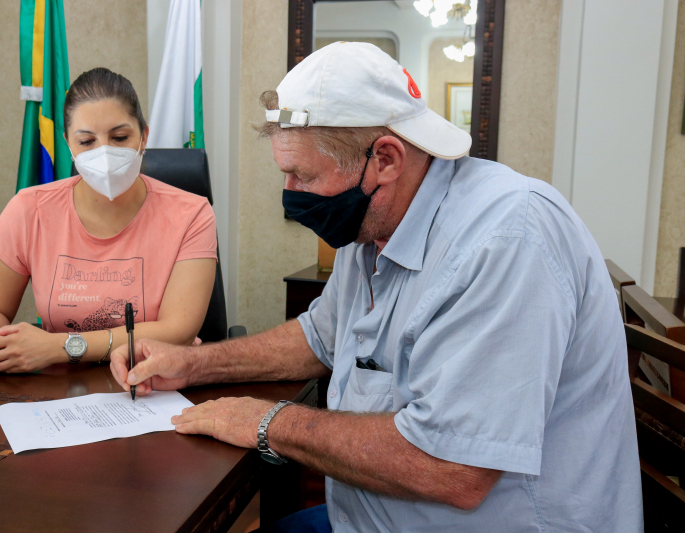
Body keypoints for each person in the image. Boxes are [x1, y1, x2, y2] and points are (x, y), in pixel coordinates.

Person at [111, 43, 642, 532]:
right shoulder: (372, 225)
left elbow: (453, 467)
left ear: (385, 159)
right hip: (367, 517)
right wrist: (196, 363)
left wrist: (266, 421)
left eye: (304, 177)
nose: (291, 195)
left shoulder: (507, 237)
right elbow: (322, 337)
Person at [0, 67, 217, 373]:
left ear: (144, 136)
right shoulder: (30, 209)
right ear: (68, 142)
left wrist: (60, 347)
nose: (104, 153)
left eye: (120, 137)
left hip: (151, 381)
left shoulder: (191, 214)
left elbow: (178, 331)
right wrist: (4, 344)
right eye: (86, 141)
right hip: (60, 387)